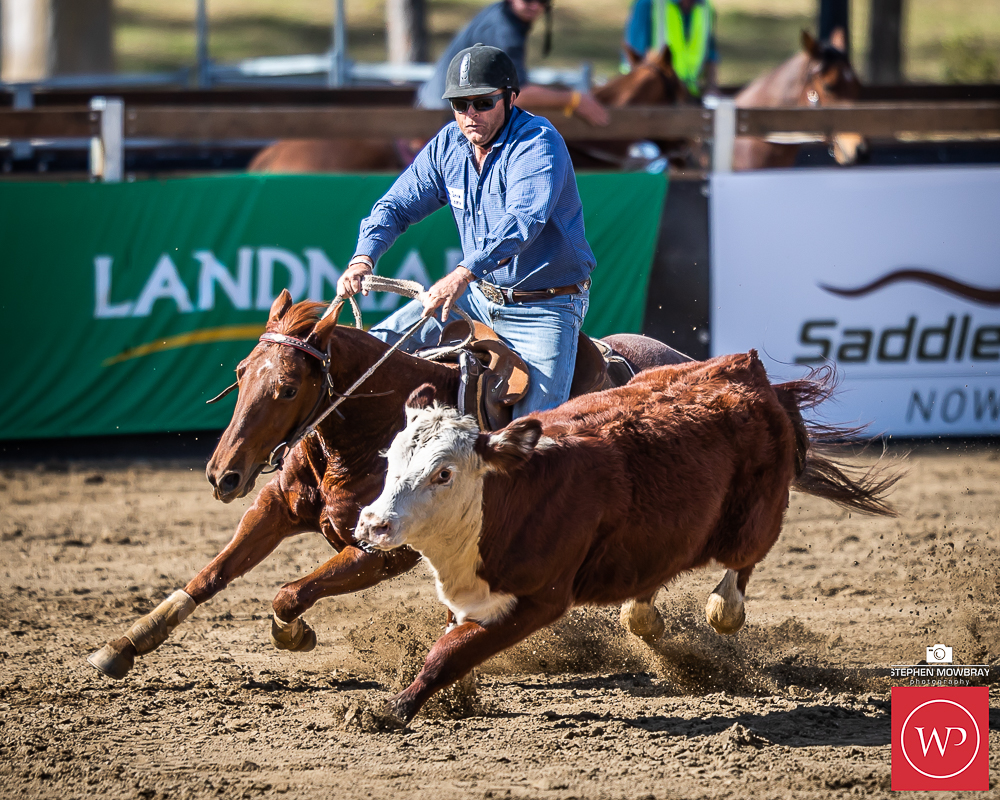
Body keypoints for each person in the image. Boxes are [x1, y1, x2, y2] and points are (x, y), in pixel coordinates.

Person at [338, 44, 595, 418]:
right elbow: (395, 206)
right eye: (460, 104)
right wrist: (363, 258)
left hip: (544, 308)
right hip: (476, 299)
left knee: (531, 434)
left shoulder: (538, 142)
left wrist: (461, 275)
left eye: (483, 102)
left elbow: (522, 222)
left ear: (510, 98)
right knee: (370, 354)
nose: (471, 114)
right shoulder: (447, 144)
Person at [417, 0, 608, 127]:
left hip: (446, 106)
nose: (535, 5)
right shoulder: (504, 30)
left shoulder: (501, 14)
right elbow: (518, 95)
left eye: (542, 0)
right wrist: (573, 100)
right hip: (447, 114)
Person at [624, 0, 719, 98]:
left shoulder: (706, 8)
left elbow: (710, 52)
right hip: (657, 97)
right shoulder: (649, 4)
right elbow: (636, 59)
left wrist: (711, 87)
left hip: (688, 95)